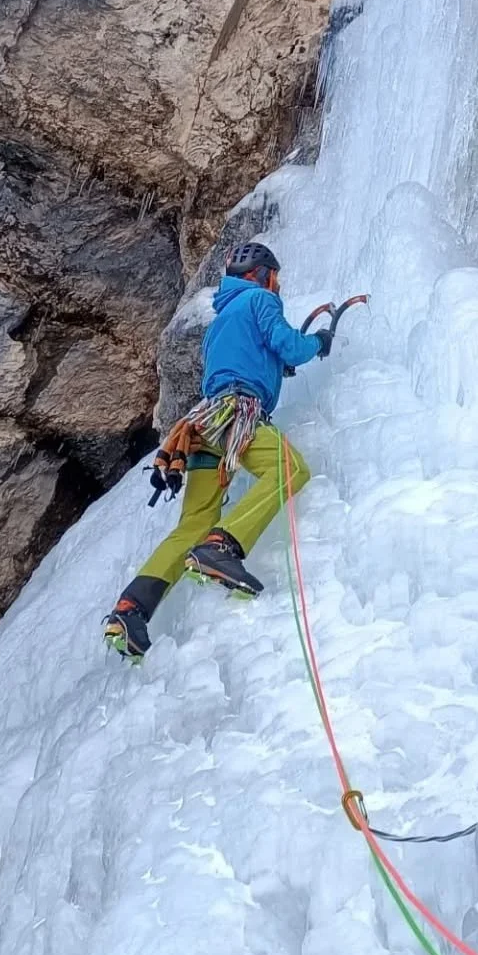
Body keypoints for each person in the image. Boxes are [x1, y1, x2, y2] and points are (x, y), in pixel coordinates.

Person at [103, 241, 331, 660]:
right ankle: (222, 546)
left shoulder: (220, 321)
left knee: (194, 522)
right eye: (275, 278)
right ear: (262, 274)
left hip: (204, 424)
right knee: (290, 468)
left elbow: (243, 358)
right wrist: (318, 342)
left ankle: (130, 610)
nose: (278, 286)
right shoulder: (260, 300)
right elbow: (289, 344)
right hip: (237, 413)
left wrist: (274, 365)